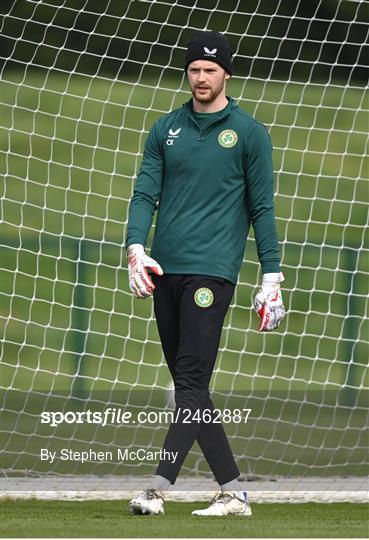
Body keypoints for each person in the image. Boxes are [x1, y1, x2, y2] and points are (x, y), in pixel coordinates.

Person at [125, 30, 285, 517]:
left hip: (212, 273)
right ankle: (234, 491)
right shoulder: (164, 129)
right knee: (190, 387)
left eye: (210, 70)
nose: (201, 77)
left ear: (226, 75)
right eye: (194, 69)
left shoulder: (250, 134)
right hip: (164, 269)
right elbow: (144, 194)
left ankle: (157, 488)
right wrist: (136, 249)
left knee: (190, 381)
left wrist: (271, 277)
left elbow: (262, 208)